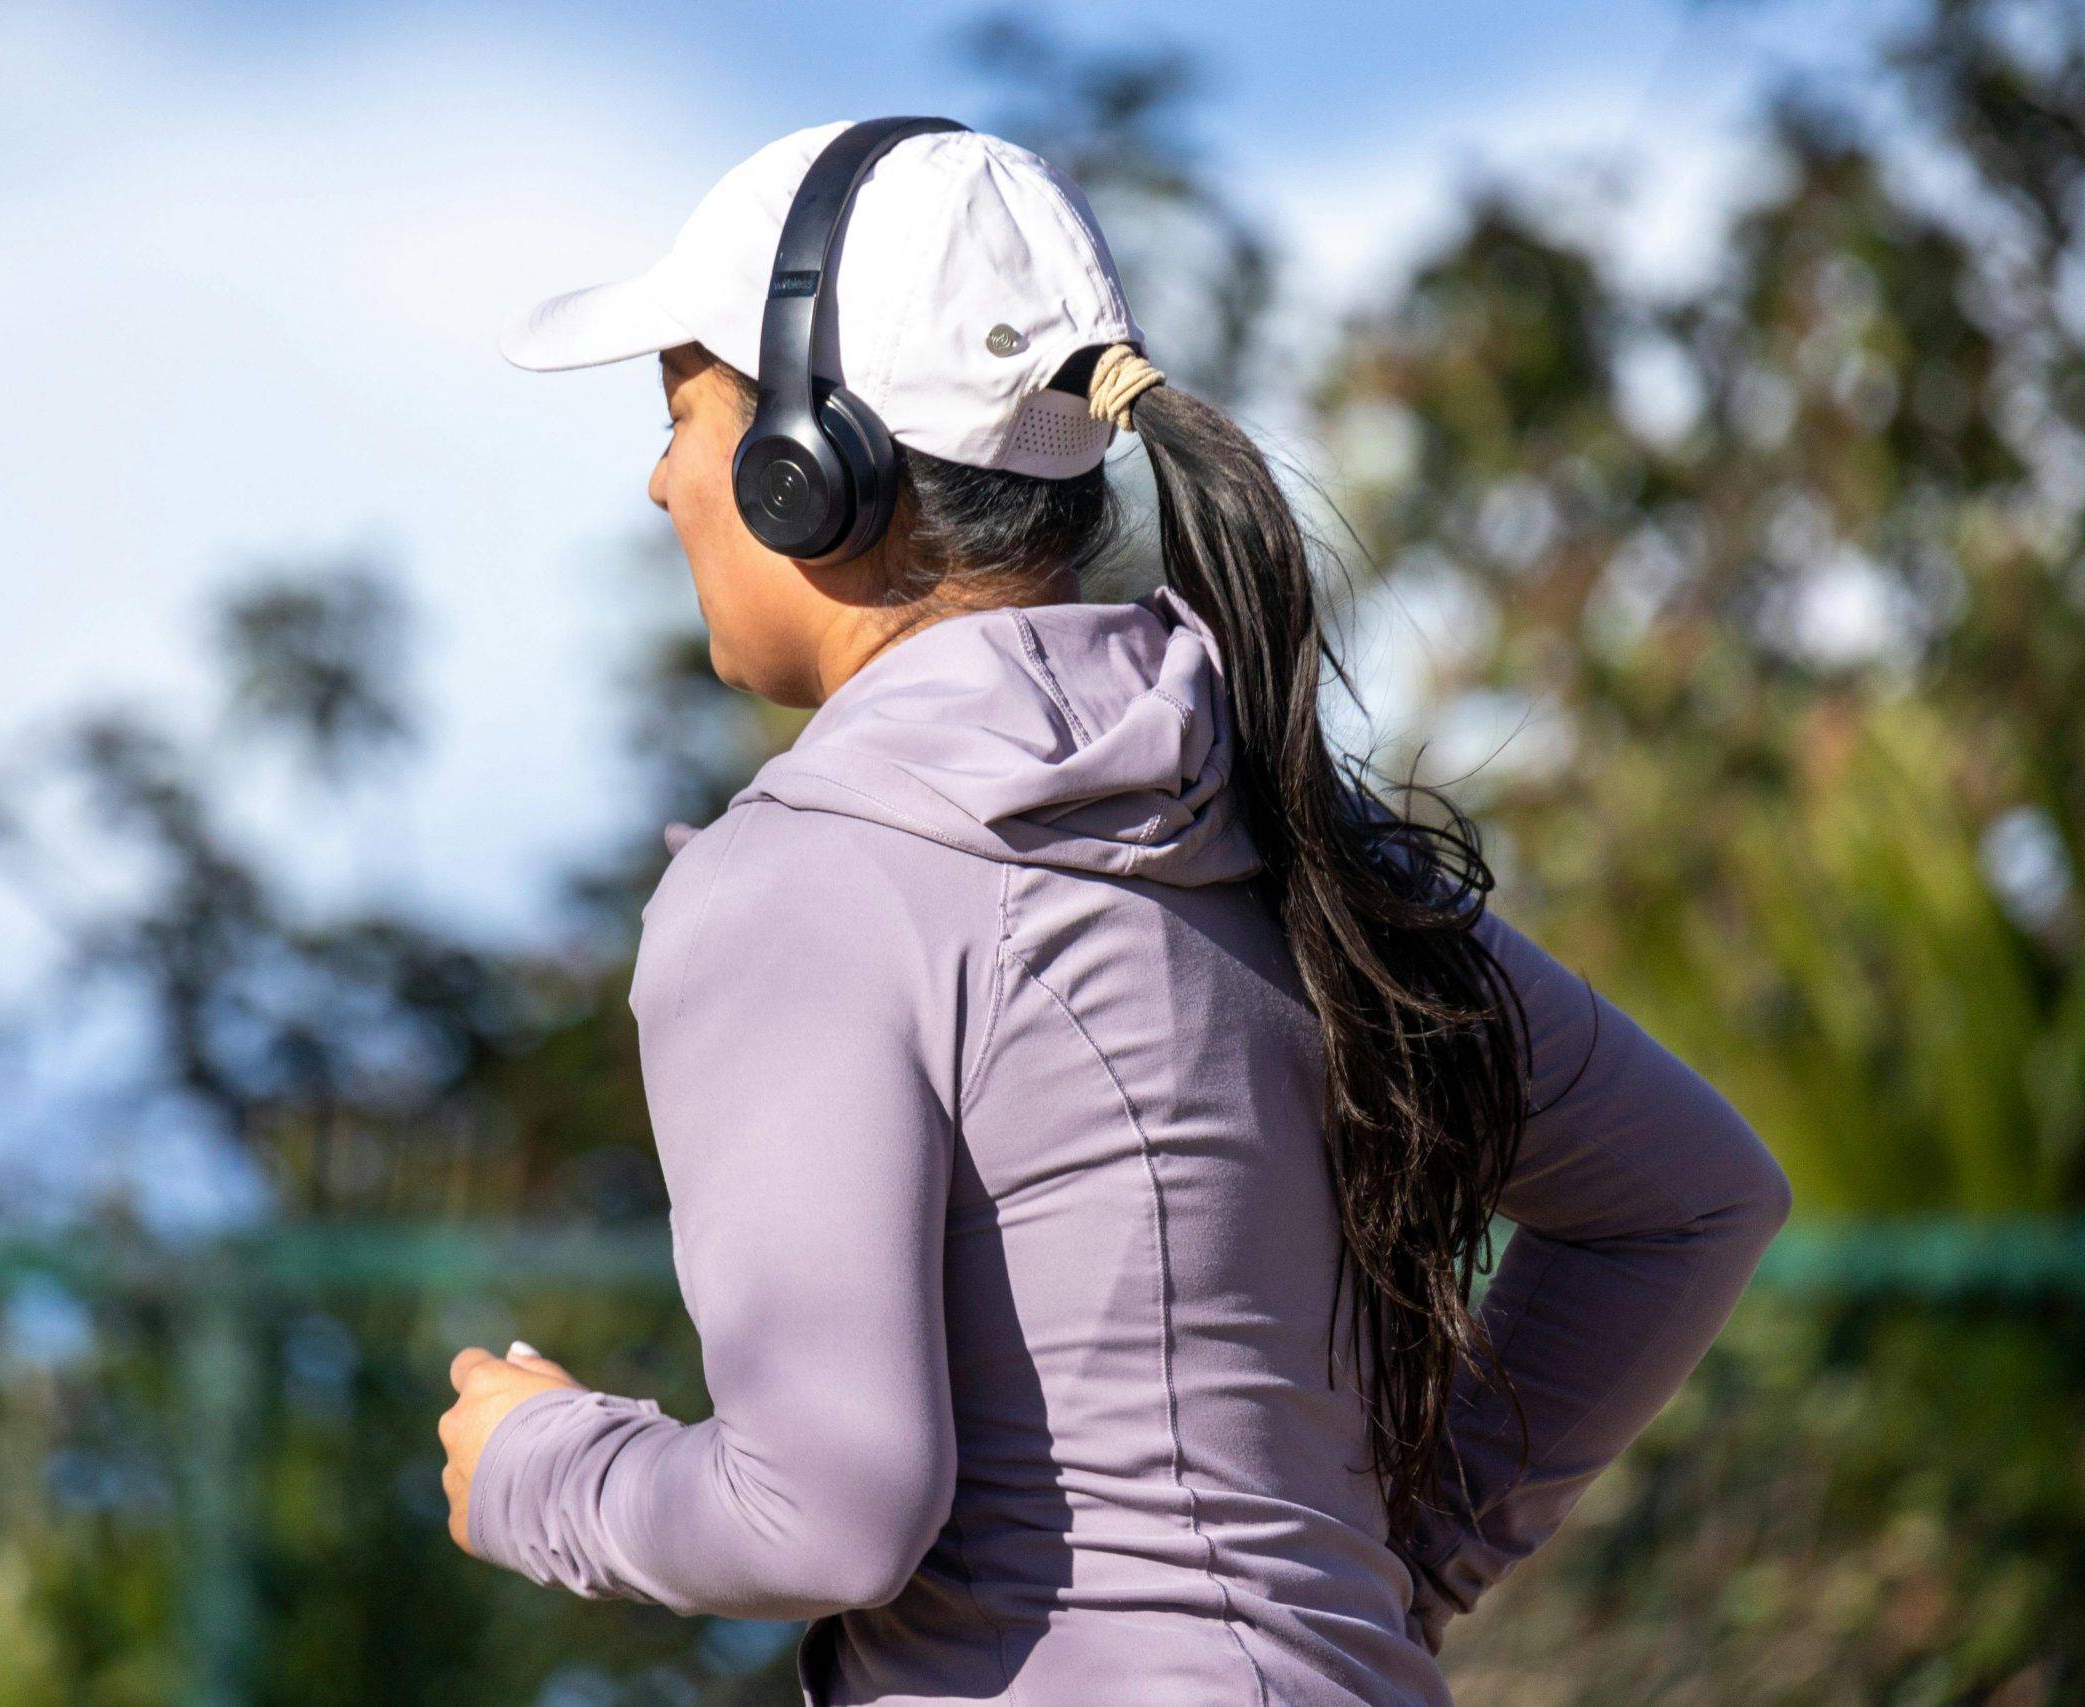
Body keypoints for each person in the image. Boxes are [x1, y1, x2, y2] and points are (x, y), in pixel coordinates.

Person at [434, 119, 1792, 1706]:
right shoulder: (1284, 825)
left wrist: (541, 1466)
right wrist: (1381, 1566)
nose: (662, 475)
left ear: (809, 472)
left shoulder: (799, 878)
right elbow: (1691, 1195)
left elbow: (826, 1511)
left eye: (683, 411)